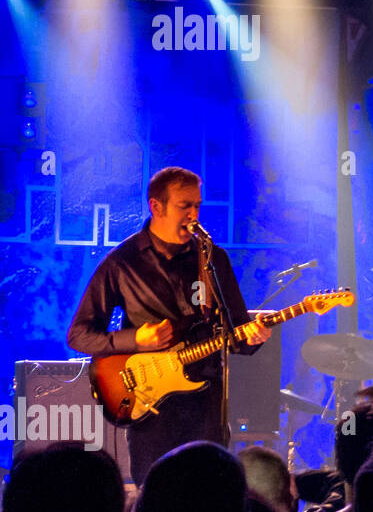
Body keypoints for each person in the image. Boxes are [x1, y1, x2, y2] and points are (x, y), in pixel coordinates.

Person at [67, 167, 271, 486]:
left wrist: (254, 336)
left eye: (197, 206)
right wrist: (135, 338)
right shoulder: (122, 263)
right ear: (156, 206)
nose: (193, 215)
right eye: (184, 205)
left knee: (209, 494)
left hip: (206, 402)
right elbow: (79, 334)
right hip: (151, 407)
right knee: (156, 499)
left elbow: (236, 333)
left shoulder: (212, 258)